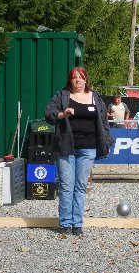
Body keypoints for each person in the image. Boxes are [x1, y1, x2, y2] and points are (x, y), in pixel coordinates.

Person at [45, 67, 114, 236]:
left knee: (81, 186)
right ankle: (65, 224)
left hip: (88, 148)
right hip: (66, 147)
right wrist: (62, 114)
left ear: (85, 80)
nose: (77, 80)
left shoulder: (95, 97)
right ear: (70, 81)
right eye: (74, 78)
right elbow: (49, 113)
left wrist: (108, 141)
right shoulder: (62, 96)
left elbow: (104, 121)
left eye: (80, 77)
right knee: (67, 186)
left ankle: (77, 224)